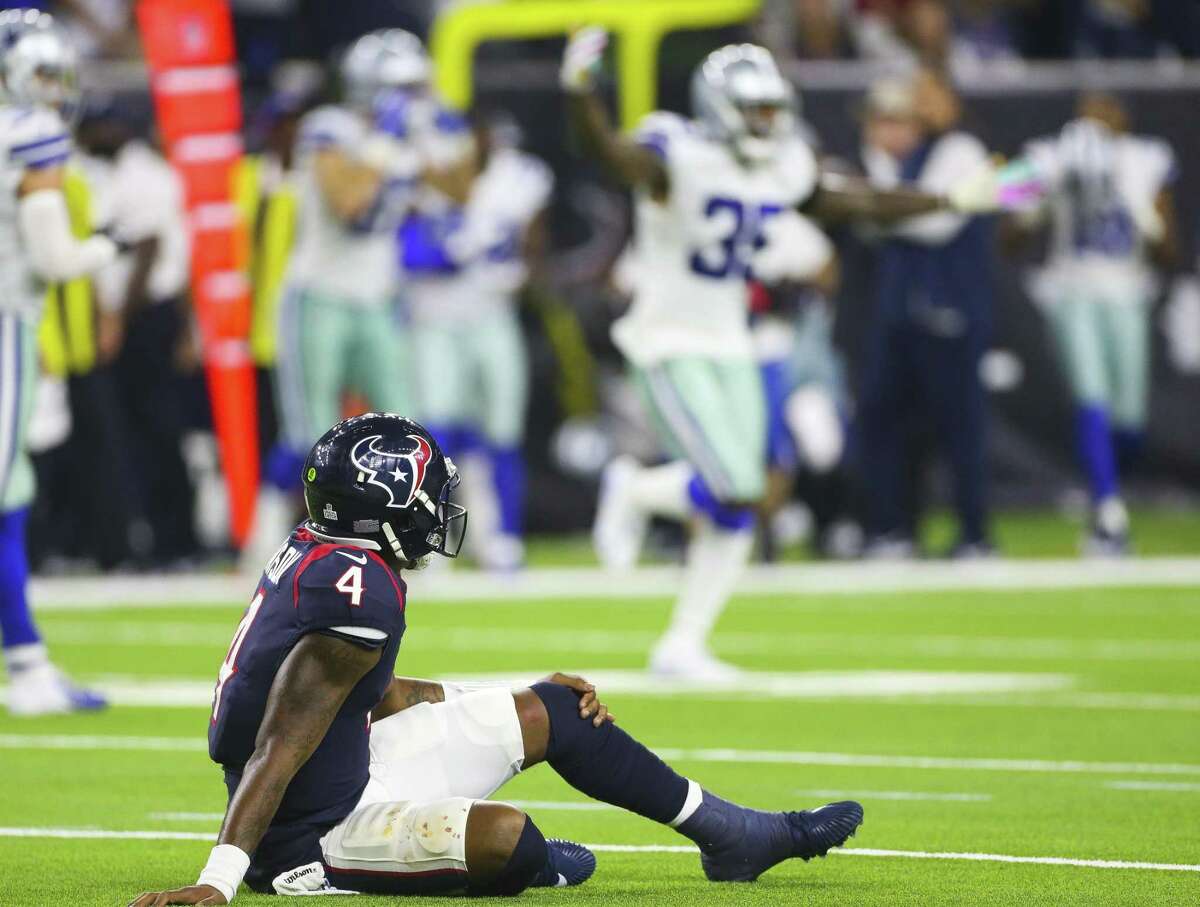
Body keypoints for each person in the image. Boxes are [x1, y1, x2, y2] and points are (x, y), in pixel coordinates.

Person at [127, 413, 864, 903]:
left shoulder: (330, 553)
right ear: (383, 505)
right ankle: (535, 868)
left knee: (561, 707)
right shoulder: (359, 591)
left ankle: (734, 835)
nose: (437, 509)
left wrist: (519, 690)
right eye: (426, 495)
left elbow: (363, 694)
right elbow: (279, 743)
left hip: (349, 763)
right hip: (308, 833)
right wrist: (219, 881)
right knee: (511, 840)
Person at [564, 29, 1001, 677]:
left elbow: (857, 202)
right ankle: (633, 489)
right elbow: (613, 155)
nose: (768, 120)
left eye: (773, 107)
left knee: (749, 497)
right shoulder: (677, 151)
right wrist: (582, 95)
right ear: (719, 107)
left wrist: (946, 199)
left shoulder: (781, 163)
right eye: (755, 108)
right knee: (731, 483)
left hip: (733, 340)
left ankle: (684, 641)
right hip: (667, 337)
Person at [244, 29, 432, 570]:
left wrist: (445, 141)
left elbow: (460, 190)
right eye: (402, 88)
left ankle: (412, 544)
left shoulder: (404, 136)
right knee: (310, 431)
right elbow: (350, 202)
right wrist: (385, 148)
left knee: (404, 429)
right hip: (320, 296)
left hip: (377, 298)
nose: (410, 99)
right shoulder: (331, 129)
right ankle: (266, 541)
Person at [0, 9, 113, 714]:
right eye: (42, 70)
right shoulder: (30, 133)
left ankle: (27, 658)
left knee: (12, 497)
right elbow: (55, 257)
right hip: (6, 322)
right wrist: (107, 245)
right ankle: (31, 672)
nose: (54, 86)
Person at [1012, 93, 1178, 555]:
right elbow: (1005, 218)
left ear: (1125, 120)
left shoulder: (1146, 159)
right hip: (1073, 291)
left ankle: (1106, 494)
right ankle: (1108, 512)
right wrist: (1031, 201)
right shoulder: (1051, 155)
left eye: (1108, 111)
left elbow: (1170, 250)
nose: (1098, 119)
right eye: (1087, 112)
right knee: (1092, 398)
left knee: (1129, 421)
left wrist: (1143, 215)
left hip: (1127, 292)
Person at [399, 111, 553, 570]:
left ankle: (502, 535)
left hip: (492, 315)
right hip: (436, 321)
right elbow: (408, 251)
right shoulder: (422, 176)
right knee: (436, 434)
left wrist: (524, 270)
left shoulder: (518, 178)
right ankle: (431, 536)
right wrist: (446, 253)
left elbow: (532, 243)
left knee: (503, 432)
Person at [856, 70, 997, 559]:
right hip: (900, 313)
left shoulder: (963, 151)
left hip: (951, 311)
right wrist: (881, 189)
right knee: (888, 424)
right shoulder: (898, 163)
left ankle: (975, 534)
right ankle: (894, 529)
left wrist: (878, 203)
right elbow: (875, 223)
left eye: (927, 95)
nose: (919, 106)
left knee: (960, 428)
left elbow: (933, 224)